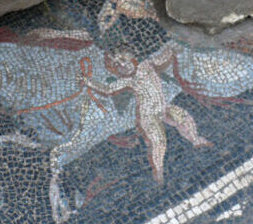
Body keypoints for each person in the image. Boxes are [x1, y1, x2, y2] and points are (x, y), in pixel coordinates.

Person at [82, 44, 212, 184]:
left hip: (163, 107)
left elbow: (163, 58)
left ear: (131, 57)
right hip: (148, 115)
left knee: (183, 117)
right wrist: (89, 82)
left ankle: (196, 140)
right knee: (158, 141)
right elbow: (108, 89)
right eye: (117, 65)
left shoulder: (147, 65)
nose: (122, 65)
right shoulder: (127, 81)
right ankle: (159, 171)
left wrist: (172, 49)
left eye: (123, 60)